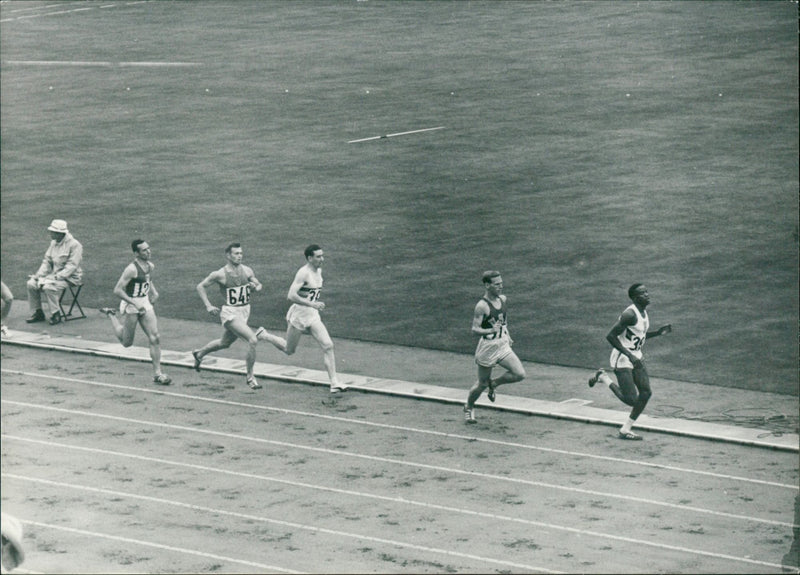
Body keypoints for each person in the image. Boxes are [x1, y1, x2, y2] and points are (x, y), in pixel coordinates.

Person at [192, 243, 285, 390]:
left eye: (241, 253)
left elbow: (258, 284)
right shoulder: (219, 274)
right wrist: (208, 305)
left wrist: (256, 287)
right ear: (228, 256)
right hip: (230, 314)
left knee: (224, 343)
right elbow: (200, 286)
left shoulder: (247, 270)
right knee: (252, 339)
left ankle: (199, 354)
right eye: (236, 253)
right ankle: (250, 377)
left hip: (244, 312)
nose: (239, 256)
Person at [588, 283, 672, 440]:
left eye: (646, 291)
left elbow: (638, 336)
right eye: (643, 293)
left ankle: (625, 429)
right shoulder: (630, 314)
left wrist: (658, 333)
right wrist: (629, 355)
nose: (647, 294)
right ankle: (603, 377)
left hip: (636, 355)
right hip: (623, 358)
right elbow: (611, 336)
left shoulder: (643, 313)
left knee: (646, 392)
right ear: (635, 298)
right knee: (632, 400)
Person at [99, 239, 172, 385]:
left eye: (148, 248)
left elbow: (147, 280)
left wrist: (154, 292)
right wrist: (135, 304)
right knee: (127, 342)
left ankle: (158, 373)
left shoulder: (150, 266)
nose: (148, 252)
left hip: (144, 302)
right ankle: (111, 315)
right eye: (144, 250)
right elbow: (117, 290)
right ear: (136, 253)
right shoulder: (131, 269)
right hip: (131, 304)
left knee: (155, 337)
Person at [278, 244, 344, 394]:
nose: (322, 259)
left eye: (322, 255)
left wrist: (312, 306)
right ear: (309, 258)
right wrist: (312, 304)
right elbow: (291, 295)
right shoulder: (303, 273)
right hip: (299, 316)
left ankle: (334, 382)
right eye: (318, 256)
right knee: (289, 350)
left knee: (328, 345)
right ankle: (265, 335)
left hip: (312, 316)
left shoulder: (318, 271)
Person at [463, 270, 526, 423]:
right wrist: (490, 330)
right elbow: (474, 329)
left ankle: (494, 383)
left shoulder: (503, 299)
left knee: (519, 374)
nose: (500, 287)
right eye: (497, 284)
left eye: (501, 283)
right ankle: (469, 406)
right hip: (488, 348)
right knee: (481, 383)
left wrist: (506, 335)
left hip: (502, 344)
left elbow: (503, 321)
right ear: (487, 285)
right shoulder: (482, 306)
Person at [25, 219, 83, 325]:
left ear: (60, 233)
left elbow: (72, 266)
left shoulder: (75, 245)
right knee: (31, 284)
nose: (50, 233)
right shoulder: (53, 243)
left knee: (48, 287)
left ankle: (56, 314)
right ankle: (38, 312)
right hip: (54, 277)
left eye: (52, 232)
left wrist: (56, 277)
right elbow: (47, 261)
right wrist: (38, 275)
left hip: (70, 278)